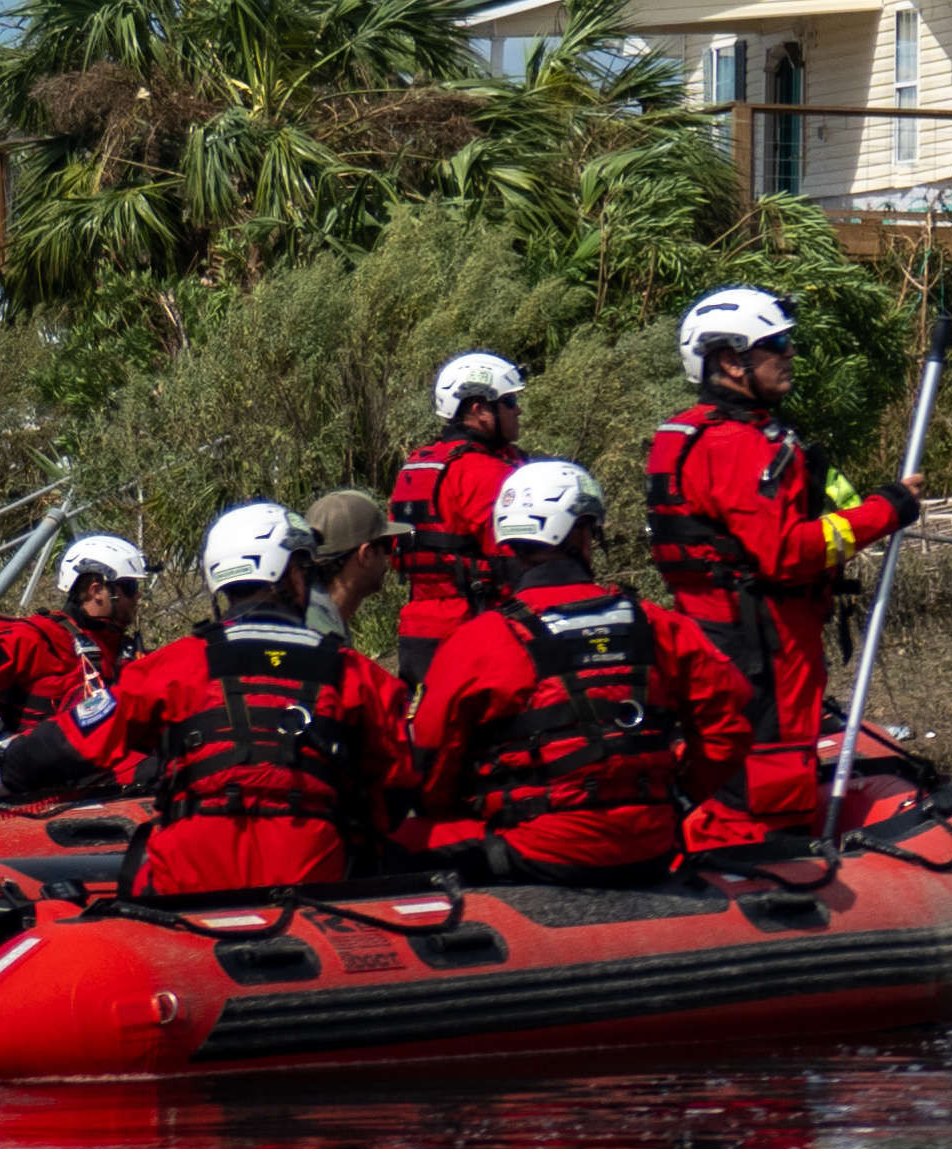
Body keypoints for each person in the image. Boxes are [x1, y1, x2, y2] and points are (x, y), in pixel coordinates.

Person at [409, 458, 759, 881]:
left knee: (405, 839)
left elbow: (431, 757)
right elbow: (729, 725)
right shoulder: (658, 624)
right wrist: (680, 795)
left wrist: (469, 805)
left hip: (535, 852)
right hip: (650, 845)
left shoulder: (477, 641)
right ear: (578, 532)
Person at [643, 285, 921, 743]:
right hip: (760, 651)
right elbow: (786, 552)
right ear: (731, 361)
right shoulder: (735, 445)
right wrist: (886, 511)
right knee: (771, 790)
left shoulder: (693, 434)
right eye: (773, 344)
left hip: (730, 640)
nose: (789, 352)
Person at [106, 504, 411, 900]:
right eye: (305, 569)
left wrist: (5, 771)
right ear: (289, 574)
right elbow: (396, 785)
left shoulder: (166, 668)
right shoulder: (359, 675)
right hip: (313, 881)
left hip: (189, 879)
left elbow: (80, 738)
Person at [0, 531, 155, 790]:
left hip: (103, 782)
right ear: (96, 590)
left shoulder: (125, 653)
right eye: (130, 588)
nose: (137, 597)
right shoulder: (35, 636)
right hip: (37, 783)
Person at [383, 353, 535, 667]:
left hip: (417, 633)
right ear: (479, 409)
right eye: (508, 402)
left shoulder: (417, 465)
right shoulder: (484, 473)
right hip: (475, 633)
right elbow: (517, 566)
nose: (517, 409)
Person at [294, 487, 393, 655]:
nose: (388, 558)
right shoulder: (321, 639)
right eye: (387, 546)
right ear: (366, 554)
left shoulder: (316, 616)